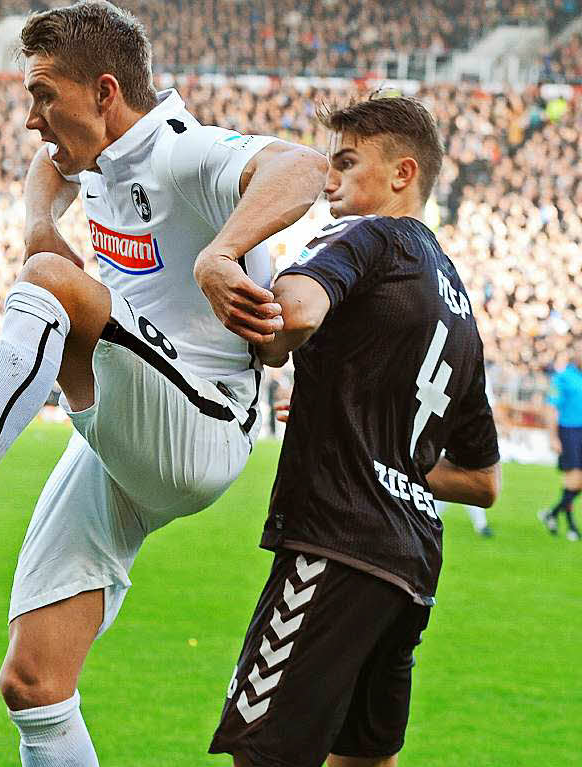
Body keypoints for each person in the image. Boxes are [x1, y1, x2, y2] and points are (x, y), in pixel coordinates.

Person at [0, 2, 326, 764]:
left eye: (44, 94)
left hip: (202, 422)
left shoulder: (181, 151)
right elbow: (50, 201)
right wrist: (40, 208)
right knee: (33, 681)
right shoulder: (103, 155)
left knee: (50, 281)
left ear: (106, 91)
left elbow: (305, 166)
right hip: (132, 429)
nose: (33, 119)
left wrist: (221, 254)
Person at [210, 95, 501, 767]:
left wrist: (230, 274)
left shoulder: (363, 236)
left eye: (344, 162)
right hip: (410, 567)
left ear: (403, 174)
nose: (327, 178)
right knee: (364, 759)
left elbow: (300, 315)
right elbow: (484, 481)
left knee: (265, 755)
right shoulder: (459, 304)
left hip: (335, 544)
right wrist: (377, 447)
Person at [539, 349, 582, 541]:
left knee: (575, 482)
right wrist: (553, 437)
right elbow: (550, 406)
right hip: (569, 431)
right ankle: (571, 525)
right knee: (574, 479)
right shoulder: (563, 377)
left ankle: (552, 514)